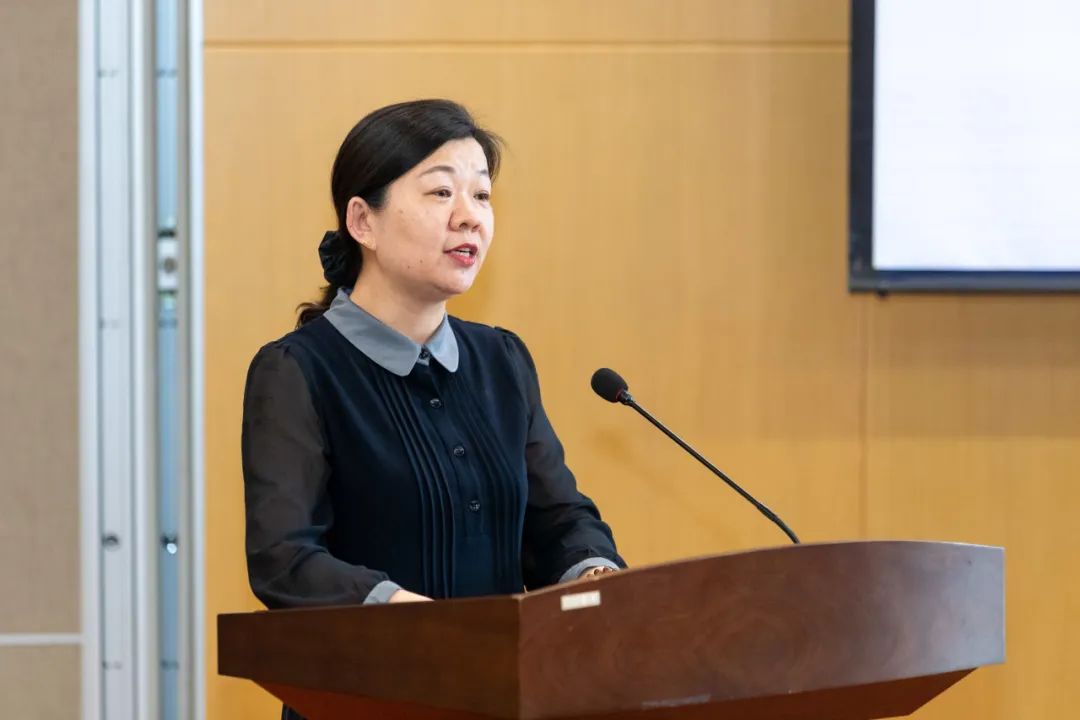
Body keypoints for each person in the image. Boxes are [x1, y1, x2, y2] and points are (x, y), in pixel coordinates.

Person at [241, 99, 624, 717]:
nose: (469, 216)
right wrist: (410, 617)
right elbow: (284, 560)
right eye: (442, 192)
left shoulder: (501, 360)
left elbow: (558, 520)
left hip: (498, 696)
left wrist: (594, 577)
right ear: (362, 221)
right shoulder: (298, 371)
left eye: (482, 195)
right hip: (365, 702)